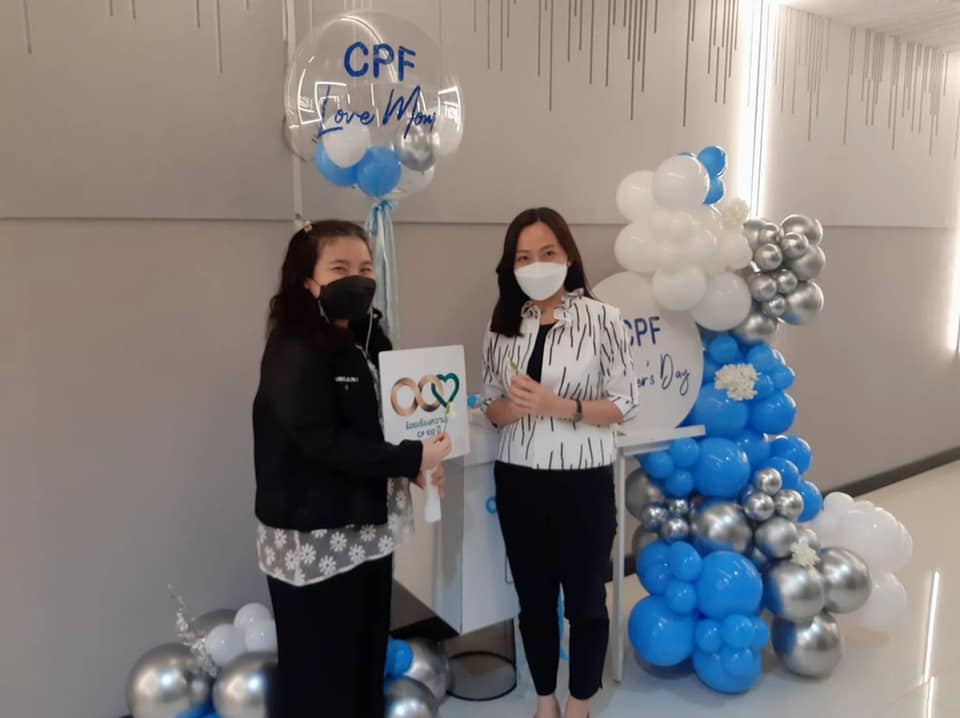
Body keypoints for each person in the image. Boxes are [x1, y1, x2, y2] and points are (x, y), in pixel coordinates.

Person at [252, 220, 452, 718]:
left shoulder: (368, 340)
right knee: (321, 669)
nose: (357, 280)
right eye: (339, 268)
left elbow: (381, 425)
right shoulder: (293, 349)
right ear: (307, 281)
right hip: (318, 535)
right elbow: (321, 442)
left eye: (365, 268)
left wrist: (415, 466)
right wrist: (411, 458)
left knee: (366, 653)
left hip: (369, 527)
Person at [480, 208, 638, 718]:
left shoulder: (603, 319)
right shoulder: (502, 325)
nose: (536, 265)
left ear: (568, 256)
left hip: (583, 481)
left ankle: (579, 701)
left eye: (547, 252)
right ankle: (545, 698)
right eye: (523, 257)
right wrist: (511, 408)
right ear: (511, 266)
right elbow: (490, 406)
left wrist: (558, 406)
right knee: (534, 598)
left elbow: (625, 403)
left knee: (586, 598)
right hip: (518, 479)